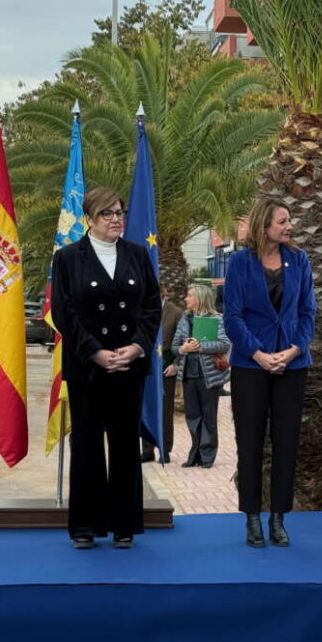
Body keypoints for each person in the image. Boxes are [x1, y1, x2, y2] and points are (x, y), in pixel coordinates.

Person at [51, 187, 161, 550]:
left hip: (129, 365)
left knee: (125, 444)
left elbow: (151, 307)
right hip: (88, 367)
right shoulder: (68, 258)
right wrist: (95, 352)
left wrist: (137, 347)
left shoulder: (137, 254)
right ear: (90, 219)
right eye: (107, 214)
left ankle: (124, 524)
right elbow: (63, 311)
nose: (116, 219)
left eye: (119, 212)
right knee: (86, 444)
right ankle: (86, 525)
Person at [224, 196, 316, 548]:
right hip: (251, 366)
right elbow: (232, 317)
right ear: (264, 226)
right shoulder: (238, 263)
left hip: (292, 366)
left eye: (289, 220)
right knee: (249, 444)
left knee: (286, 444)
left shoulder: (299, 260)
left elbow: (308, 312)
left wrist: (293, 350)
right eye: (282, 221)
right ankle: (251, 517)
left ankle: (278, 518)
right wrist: (259, 354)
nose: (289, 226)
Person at [170, 284, 230, 469]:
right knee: (193, 416)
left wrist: (200, 346)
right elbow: (174, 347)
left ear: (200, 298)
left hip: (208, 376)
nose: (186, 299)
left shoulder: (216, 319)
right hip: (189, 374)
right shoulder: (184, 319)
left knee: (208, 416)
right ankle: (194, 453)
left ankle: (207, 455)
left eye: (189, 296)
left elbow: (224, 344)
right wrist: (183, 349)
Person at [140, 297, 184, 464]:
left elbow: (183, 341)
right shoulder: (143, 309)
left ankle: (165, 449)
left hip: (166, 368)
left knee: (165, 410)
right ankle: (147, 449)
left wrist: (176, 365)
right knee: (146, 409)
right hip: (146, 367)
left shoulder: (175, 313)